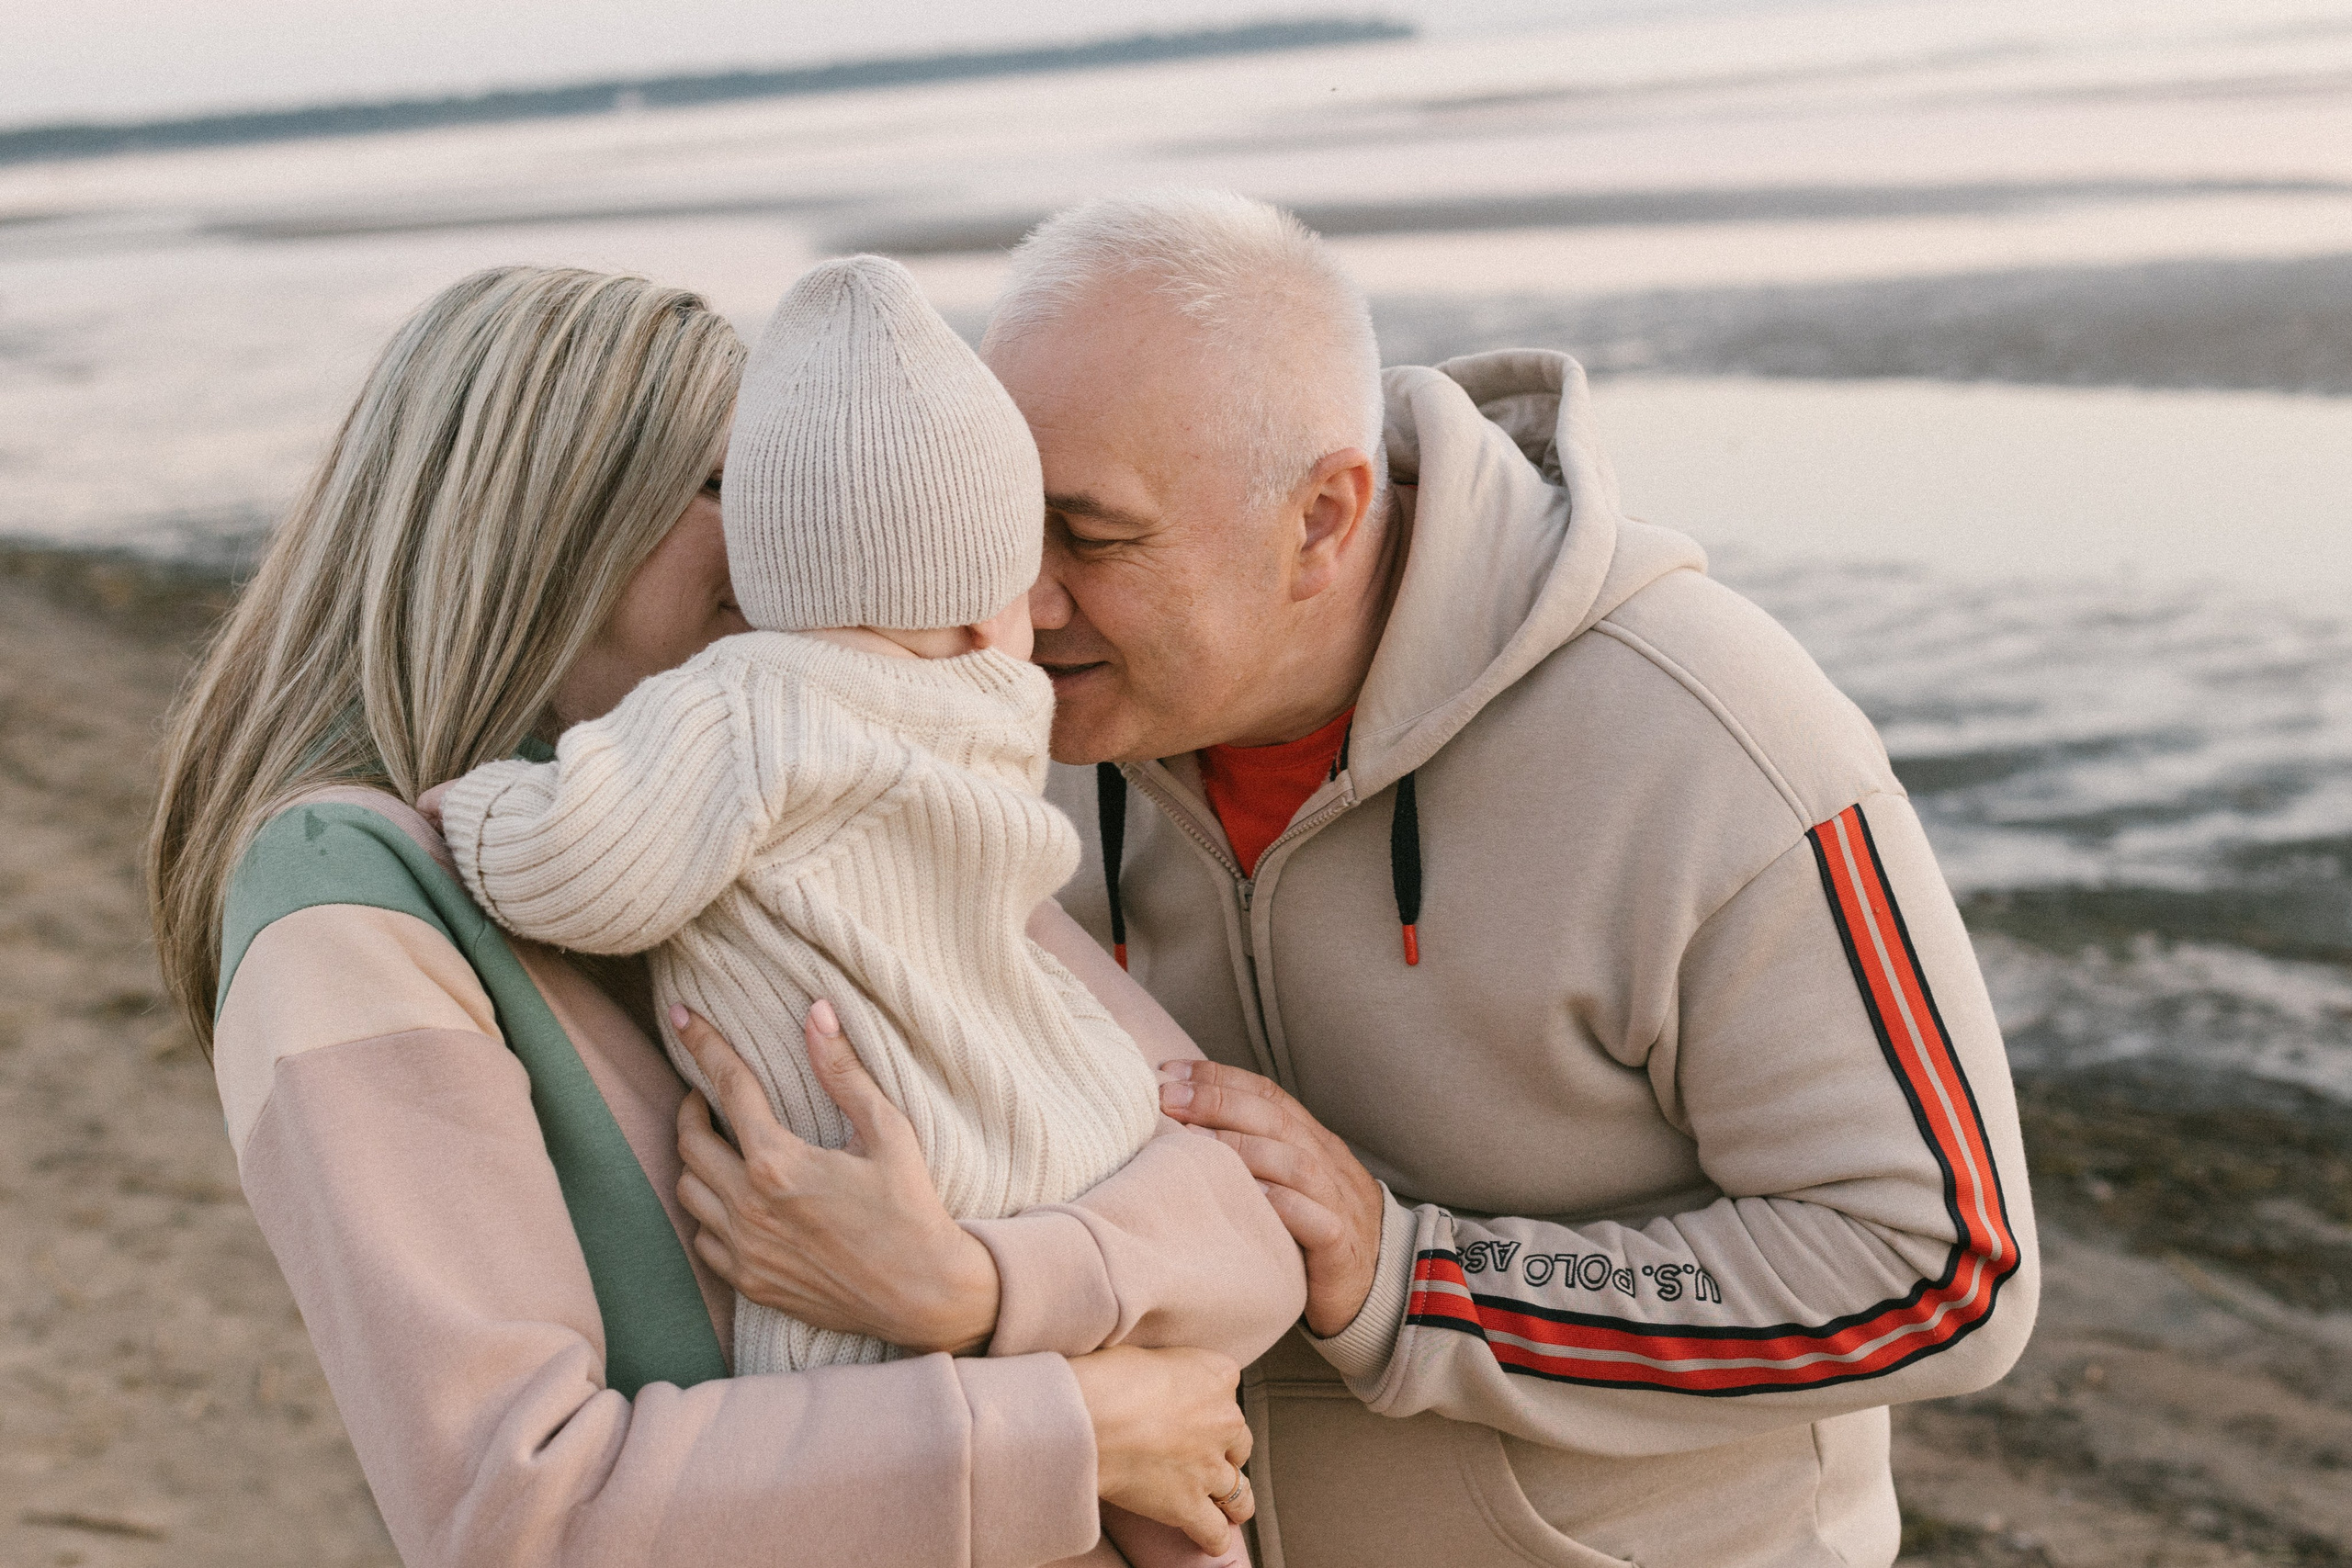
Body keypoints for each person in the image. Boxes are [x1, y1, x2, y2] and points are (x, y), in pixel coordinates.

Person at [148, 263, 1303, 1567]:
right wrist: (1078, 1425)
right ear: (547, 517)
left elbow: (1228, 1200)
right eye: (732, 481)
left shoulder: (832, 797)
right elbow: (516, 1511)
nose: (793, 526)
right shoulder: (349, 896)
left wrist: (969, 1287)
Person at [973, 188, 2042, 1568]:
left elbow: (1941, 1272)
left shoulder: (1710, 743)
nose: (1021, 602)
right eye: (1000, 519)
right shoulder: (1004, 722)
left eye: (1095, 536)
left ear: (1322, 518)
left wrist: (1416, 1279)